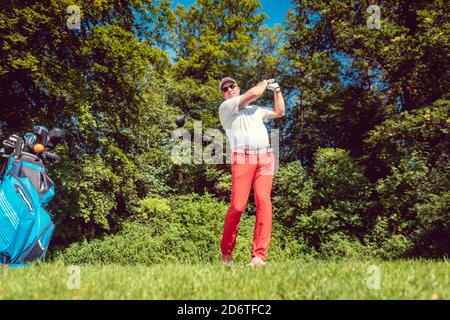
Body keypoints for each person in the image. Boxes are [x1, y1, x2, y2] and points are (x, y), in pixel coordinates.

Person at [218, 77, 285, 267]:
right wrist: (264, 83)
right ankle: (226, 253)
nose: (229, 89)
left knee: (263, 201)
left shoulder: (256, 110)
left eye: (232, 86)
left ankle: (259, 256)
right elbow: (255, 93)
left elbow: (280, 112)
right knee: (238, 206)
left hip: (265, 157)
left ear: (238, 88)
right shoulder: (226, 107)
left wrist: (277, 90)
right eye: (225, 89)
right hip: (242, 158)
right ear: (223, 95)